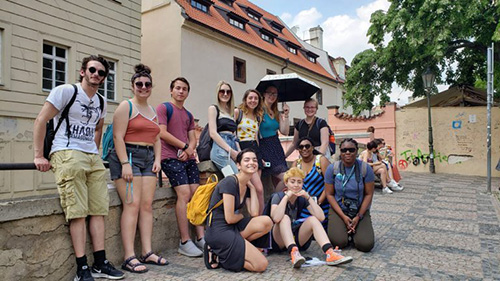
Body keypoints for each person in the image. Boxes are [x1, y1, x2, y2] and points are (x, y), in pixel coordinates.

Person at [33, 55, 124, 280]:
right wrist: (38, 155)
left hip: (91, 157)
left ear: (104, 78)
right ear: (83, 71)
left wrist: (93, 150)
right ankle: (81, 267)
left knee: (98, 211)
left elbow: (97, 129)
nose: (96, 74)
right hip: (66, 152)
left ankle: (100, 263)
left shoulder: (101, 102)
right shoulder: (66, 91)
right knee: (77, 212)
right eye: (92, 70)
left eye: (101, 72)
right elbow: (41, 120)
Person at [108, 64, 167, 273]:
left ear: (151, 86)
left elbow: (157, 138)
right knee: (131, 205)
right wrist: (125, 163)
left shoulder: (152, 110)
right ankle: (129, 256)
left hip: (148, 158)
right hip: (129, 156)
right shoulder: (126, 106)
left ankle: (147, 251)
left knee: (147, 206)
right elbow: (117, 136)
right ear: (133, 86)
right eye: (139, 84)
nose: (143, 87)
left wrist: (158, 160)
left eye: (147, 84)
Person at [204, 148, 273, 272]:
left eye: (254, 160)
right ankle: (220, 255)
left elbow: (255, 214)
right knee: (261, 265)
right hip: (218, 230)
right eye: (247, 160)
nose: (251, 162)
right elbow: (230, 218)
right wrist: (241, 217)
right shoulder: (230, 182)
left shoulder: (246, 185)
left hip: (232, 228)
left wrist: (252, 189)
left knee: (266, 222)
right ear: (238, 165)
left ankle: (230, 248)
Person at [269, 167, 353, 268]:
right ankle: (294, 252)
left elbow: (321, 217)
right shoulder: (278, 196)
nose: (296, 185)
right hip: (277, 239)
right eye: (292, 181)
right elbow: (276, 218)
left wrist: (308, 197)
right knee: (284, 218)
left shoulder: (301, 199)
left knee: (312, 219)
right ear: (286, 183)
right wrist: (286, 197)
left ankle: (330, 252)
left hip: (295, 236)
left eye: (299, 182)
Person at [157, 77, 204, 257]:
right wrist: (184, 147)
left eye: (184, 89)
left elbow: (192, 136)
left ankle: (200, 237)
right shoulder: (164, 108)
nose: (181, 91)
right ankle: (185, 241)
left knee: (196, 192)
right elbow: (161, 132)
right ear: (171, 90)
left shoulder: (189, 114)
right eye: (177, 88)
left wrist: (190, 148)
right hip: (169, 156)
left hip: (187, 157)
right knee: (184, 193)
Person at [325, 138, 375, 252]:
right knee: (338, 242)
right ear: (340, 152)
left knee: (366, 245)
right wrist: (343, 216)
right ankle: (346, 230)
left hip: (359, 209)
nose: (347, 153)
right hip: (339, 210)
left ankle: (355, 232)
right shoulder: (332, 169)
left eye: (351, 150)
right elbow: (329, 194)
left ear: (356, 151)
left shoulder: (365, 168)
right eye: (344, 150)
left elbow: (368, 194)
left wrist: (359, 216)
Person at [234, 89, 265, 212]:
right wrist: (238, 152)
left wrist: (260, 156)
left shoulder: (257, 117)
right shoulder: (238, 112)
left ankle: (259, 216)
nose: (253, 101)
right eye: (250, 98)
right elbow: (233, 133)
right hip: (243, 149)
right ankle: (259, 217)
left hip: (255, 151)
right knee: (257, 188)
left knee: (257, 188)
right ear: (245, 99)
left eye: (256, 98)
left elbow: (256, 137)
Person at [292, 137, 331, 229]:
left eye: (307, 146)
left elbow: (329, 184)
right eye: (301, 147)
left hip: (322, 205)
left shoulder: (321, 160)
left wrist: (318, 203)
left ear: (313, 148)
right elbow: (291, 185)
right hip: (303, 207)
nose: (304, 149)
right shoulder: (296, 164)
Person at [259, 85, 290, 191]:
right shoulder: (259, 111)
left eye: (275, 94)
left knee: (277, 182)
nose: (272, 96)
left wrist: (286, 115)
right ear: (264, 94)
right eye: (270, 93)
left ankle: (276, 203)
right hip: (265, 146)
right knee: (286, 178)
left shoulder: (275, 112)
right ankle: (274, 202)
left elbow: (285, 131)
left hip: (276, 146)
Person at [208, 81, 240, 174]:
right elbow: (213, 133)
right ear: (217, 93)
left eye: (228, 92)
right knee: (235, 178)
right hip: (220, 150)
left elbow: (234, 135)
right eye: (222, 91)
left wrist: (239, 152)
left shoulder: (232, 112)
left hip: (233, 147)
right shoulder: (213, 109)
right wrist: (230, 151)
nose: (225, 94)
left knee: (240, 179)